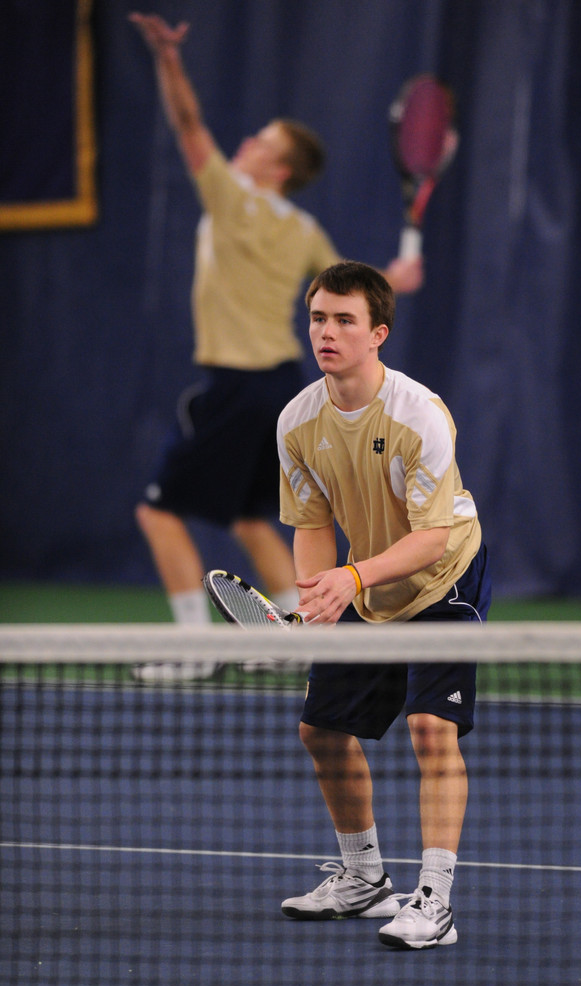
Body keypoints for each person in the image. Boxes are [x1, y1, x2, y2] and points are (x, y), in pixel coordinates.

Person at [128, 14, 423, 677]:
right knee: (252, 516)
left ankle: (194, 654)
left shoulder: (235, 200)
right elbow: (351, 290)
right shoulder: (304, 227)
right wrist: (391, 279)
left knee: (158, 514)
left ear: (279, 167)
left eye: (261, 140)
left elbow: (187, 127)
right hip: (283, 388)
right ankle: (298, 641)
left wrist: (169, 60)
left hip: (237, 386)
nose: (246, 143)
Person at [276, 260, 491, 950]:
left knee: (430, 729)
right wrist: (317, 594)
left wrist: (351, 579)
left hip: (442, 577)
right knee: (320, 731)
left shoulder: (417, 414)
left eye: (343, 320)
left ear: (378, 334)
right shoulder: (298, 421)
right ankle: (365, 878)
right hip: (363, 585)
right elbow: (310, 524)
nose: (327, 332)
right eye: (318, 318)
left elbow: (431, 538)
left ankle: (434, 902)